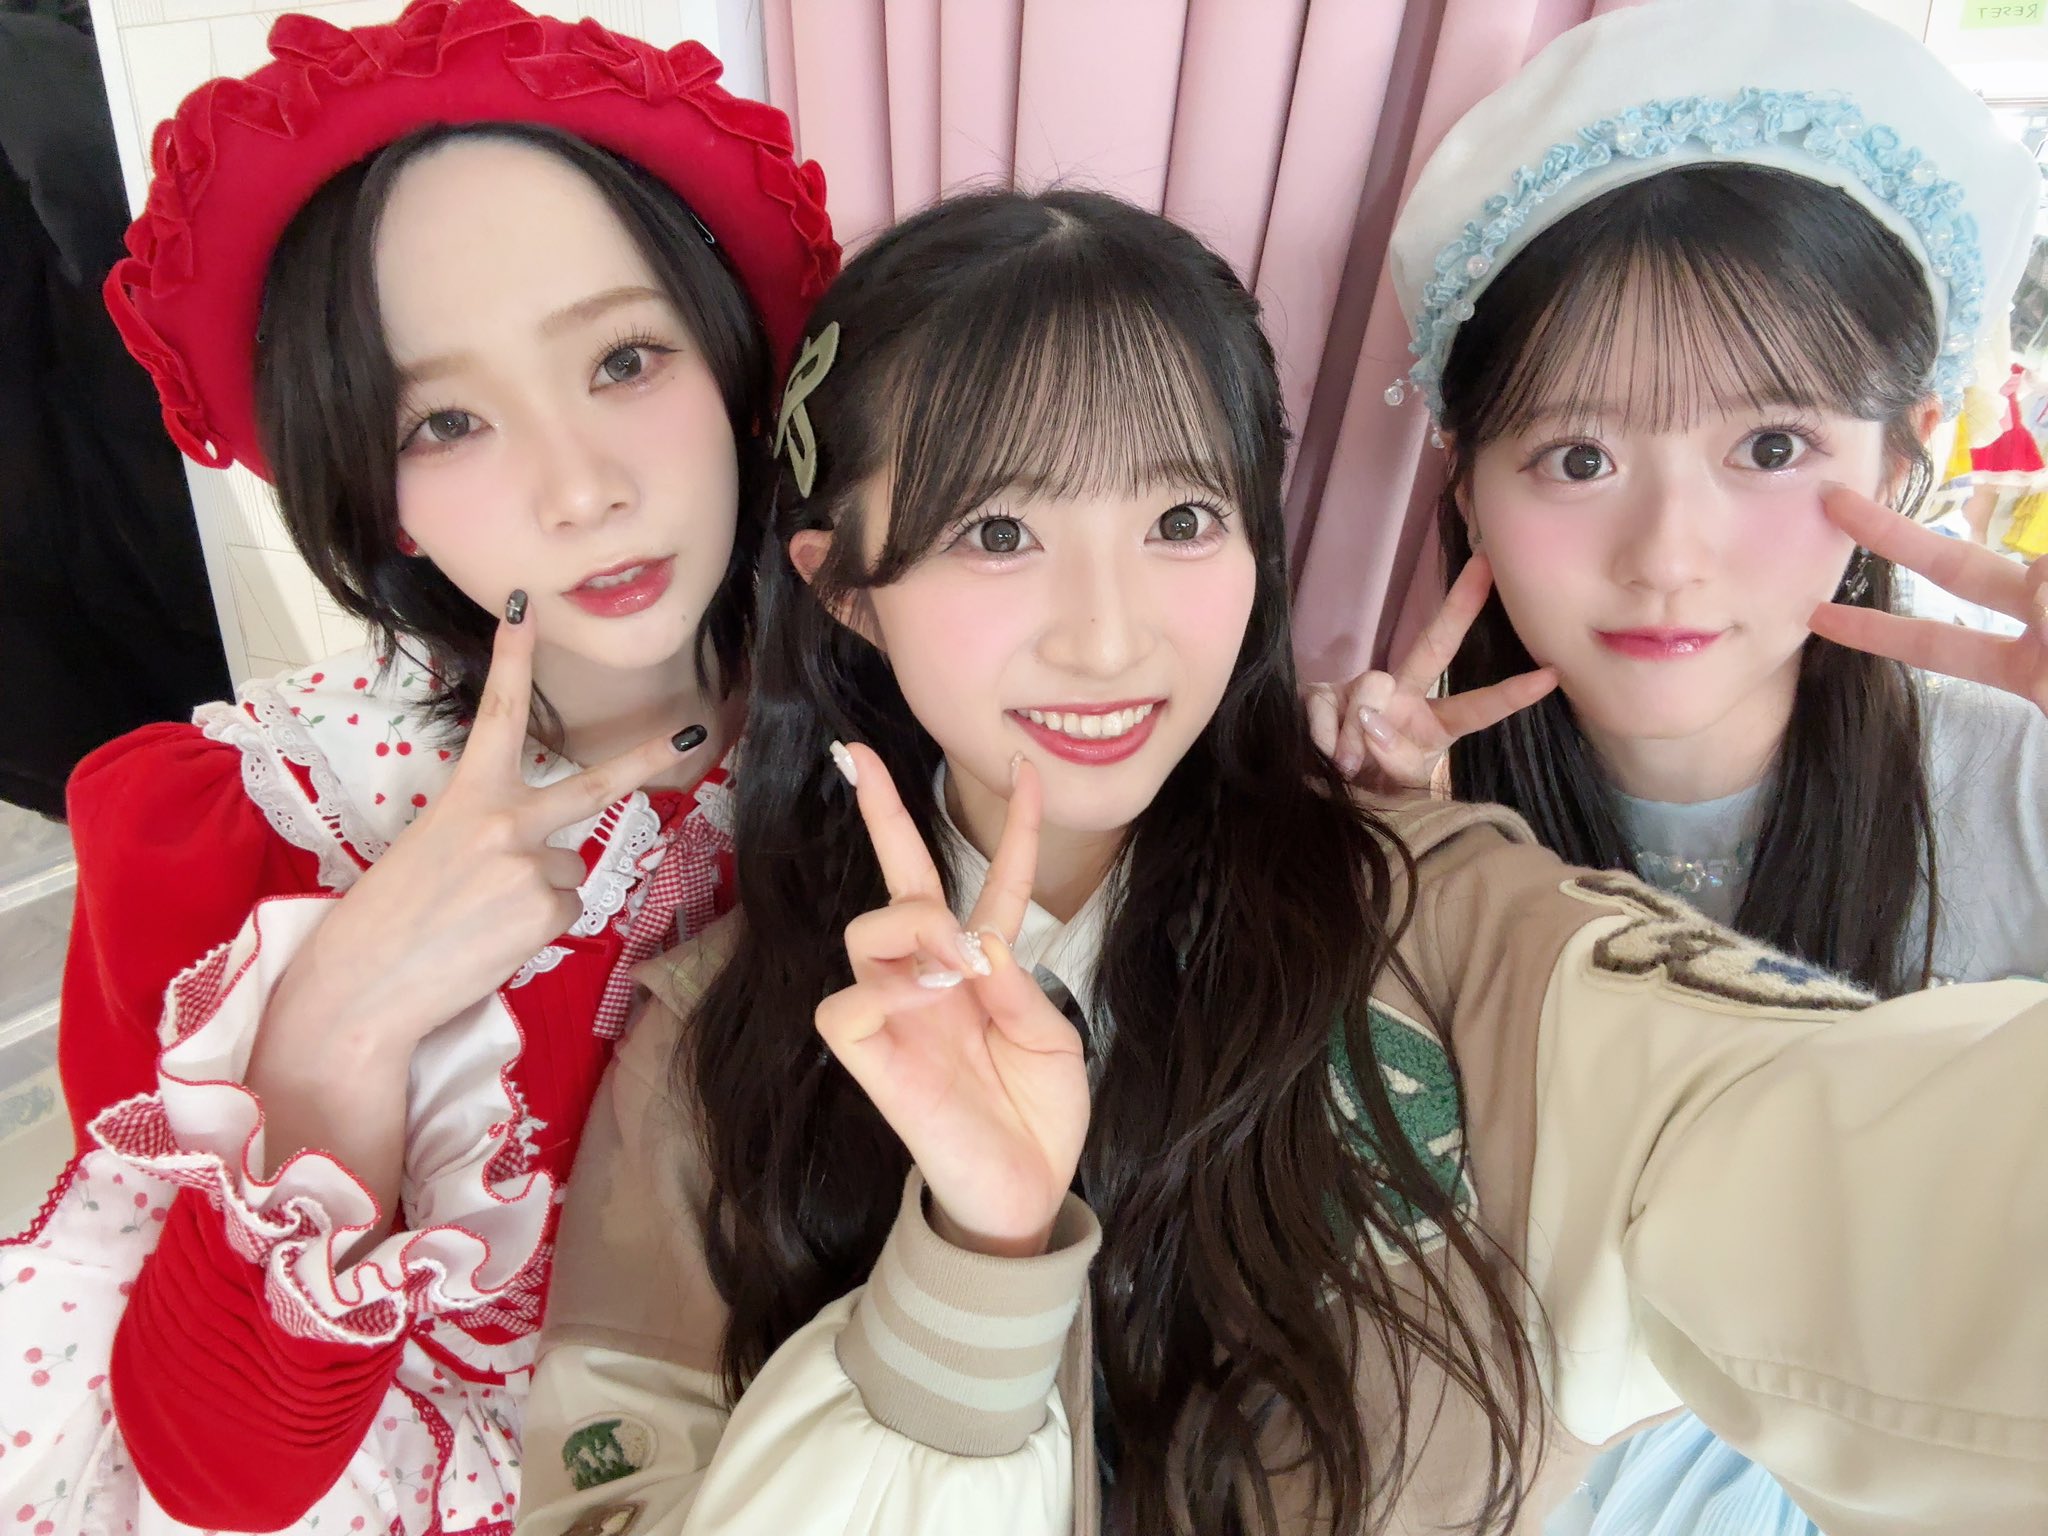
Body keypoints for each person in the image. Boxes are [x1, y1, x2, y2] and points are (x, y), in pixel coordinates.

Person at [518, 181, 2048, 1536]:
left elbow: (1834, 1159)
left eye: (1183, 517)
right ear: (841, 584)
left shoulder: (1443, 914)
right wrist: (973, 1266)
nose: (1108, 635)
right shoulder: (713, 1042)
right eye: (999, 533)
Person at [0, 2, 836, 1530]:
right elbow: (219, 1479)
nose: (580, 488)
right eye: (448, 419)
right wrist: (344, 1018)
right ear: (377, 489)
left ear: (735, 367)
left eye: (625, 358)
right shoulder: (258, 831)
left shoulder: (902, 718)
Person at [1303, 0, 2045, 1529]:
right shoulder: (1393, 817)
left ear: (1905, 451)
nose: (1666, 556)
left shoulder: (2016, 793)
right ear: (1467, 482)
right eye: (1578, 458)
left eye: (1769, 448)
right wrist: (1397, 885)